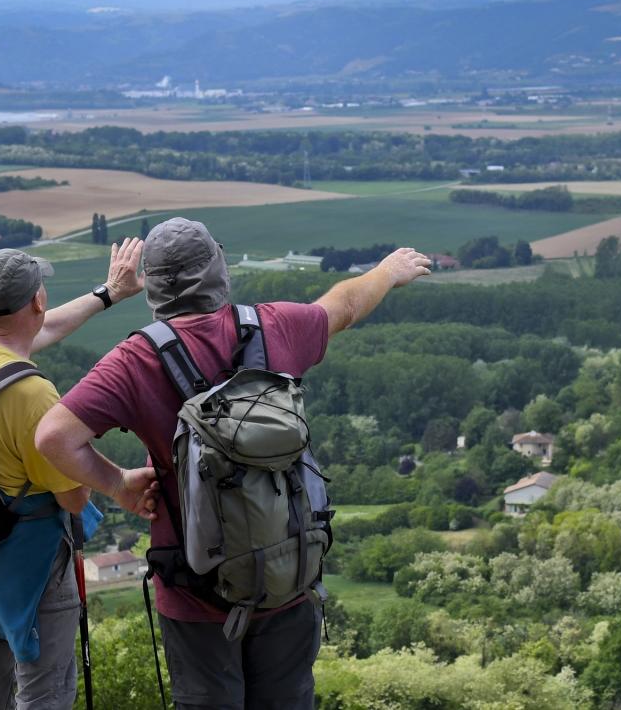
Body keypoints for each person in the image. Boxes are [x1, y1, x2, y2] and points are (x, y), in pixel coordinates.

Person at [36, 217, 432, 710]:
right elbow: (346, 305)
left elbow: (53, 438)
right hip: (288, 570)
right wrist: (388, 271)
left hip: (195, 587)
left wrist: (117, 484)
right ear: (219, 271)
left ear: (155, 288)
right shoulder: (276, 326)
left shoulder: (135, 361)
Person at [0, 238, 158, 710]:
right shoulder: (30, 395)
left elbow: (37, 332)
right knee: (45, 688)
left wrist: (110, 292)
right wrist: (118, 480)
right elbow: (73, 499)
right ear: (37, 300)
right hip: (31, 563)